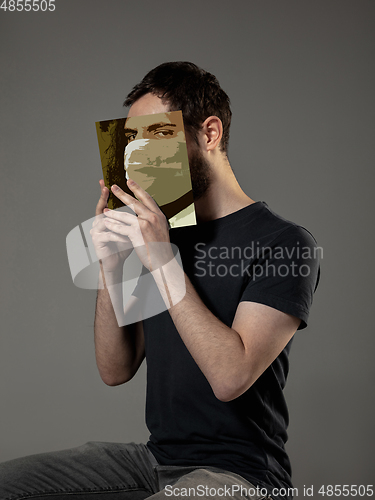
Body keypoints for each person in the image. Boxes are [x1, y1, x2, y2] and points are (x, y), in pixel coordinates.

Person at [0, 62, 320, 500]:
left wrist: (162, 260)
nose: (140, 157)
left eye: (156, 137)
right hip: (154, 459)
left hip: (241, 475)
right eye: (133, 143)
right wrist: (111, 265)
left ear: (209, 134)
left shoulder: (285, 242)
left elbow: (230, 378)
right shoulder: (166, 231)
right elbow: (115, 370)